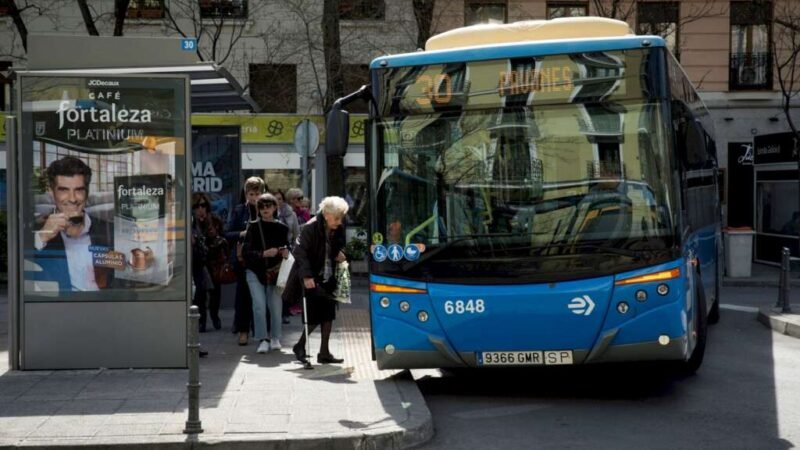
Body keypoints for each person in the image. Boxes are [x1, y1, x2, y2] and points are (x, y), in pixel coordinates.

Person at [283, 196, 349, 365]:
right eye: (337, 218)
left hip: (328, 275)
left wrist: (339, 253)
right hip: (312, 276)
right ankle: (300, 345)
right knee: (314, 315)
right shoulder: (311, 227)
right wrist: (306, 276)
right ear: (327, 214)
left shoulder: (336, 227)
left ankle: (324, 352)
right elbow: (300, 252)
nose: (340, 222)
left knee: (328, 314)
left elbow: (337, 245)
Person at [33, 156, 113, 292]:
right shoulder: (37, 233)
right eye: (63, 190)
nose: (72, 198)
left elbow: (123, 277)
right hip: (61, 309)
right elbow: (19, 272)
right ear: (52, 193)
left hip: (104, 307)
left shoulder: (108, 230)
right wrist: (42, 237)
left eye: (79, 190)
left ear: (87, 193)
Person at [242, 193, 290, 354]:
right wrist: (263, 254)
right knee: (259, 306)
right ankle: (263, 339)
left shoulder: (282, 228)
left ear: (275, 207)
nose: (265, 209)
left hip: (276, 271)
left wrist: (284, 252)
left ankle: (275, 337)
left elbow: (288, 248)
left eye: (268, 206)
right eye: (261, 206)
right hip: (255, 271)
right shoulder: (253, 227)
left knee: (276, 307)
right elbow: (246, 252)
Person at [226, 177, 264, 346]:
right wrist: (242, 233)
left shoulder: (267, 209)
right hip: (243, 259)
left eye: (257, 193)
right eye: (251, 194)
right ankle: (243, 331)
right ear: (246, 194)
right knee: (243, 295)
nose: (254, 198)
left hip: (262, 258)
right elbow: (228, 234)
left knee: (261, 296)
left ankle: (261, 330)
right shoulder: (239, 210)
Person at [191, 192, 213, 333]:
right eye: (197, 206)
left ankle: (203, 322)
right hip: (194, 260)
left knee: (202, 292)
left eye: (203, 205)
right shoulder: (191, 220)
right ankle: (198, 323)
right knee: (198, 292)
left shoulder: (210, 220)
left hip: (206, 260)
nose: (201, 209)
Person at [204, 214, 228, 330]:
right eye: (209, 228)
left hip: (216, 269)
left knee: (215, 295)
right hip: (205, 267)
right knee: (202, 295)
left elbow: (226, 254)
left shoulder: (221, 240)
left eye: (214, 227)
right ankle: (203, 320)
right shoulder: (204, 239)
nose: (212, 230)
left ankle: (214, 317)